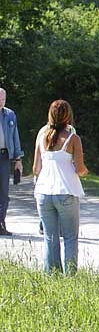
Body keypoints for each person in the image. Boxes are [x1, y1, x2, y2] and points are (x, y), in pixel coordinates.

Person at [33, 100, 88, 274]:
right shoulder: (73, 139)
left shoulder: (42, 137)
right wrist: (85, 172)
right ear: (68, 117)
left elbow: (36, 169)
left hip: (43, 192)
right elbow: (80, 170)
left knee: (50, 237)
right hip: (65, 192)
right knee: (71, 237)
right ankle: (70, 276)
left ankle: (52, 275)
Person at [0, 87, 24, 236]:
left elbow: (15, 138)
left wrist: (18, 160)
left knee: (3, 192)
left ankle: (1, 223)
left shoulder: (10, 115)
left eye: (3, 99)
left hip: (4, 156)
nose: (1, 102)